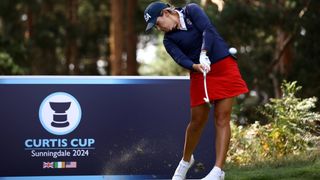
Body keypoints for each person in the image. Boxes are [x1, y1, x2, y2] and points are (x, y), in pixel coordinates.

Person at [144, 1, 248, 180]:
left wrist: (204, 52)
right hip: (200, 71)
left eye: (158, 23)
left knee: (222, 117)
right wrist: (195, 65)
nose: (159, 28)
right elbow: (179, 58)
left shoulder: (191, 10)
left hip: (223, 65)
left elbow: (207, 29)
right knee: (197, 121)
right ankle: (186, 160)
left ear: (166, 13)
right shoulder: (169, 40)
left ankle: (217, 171)